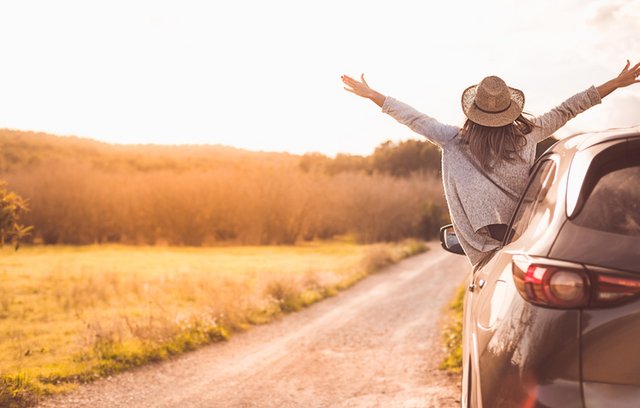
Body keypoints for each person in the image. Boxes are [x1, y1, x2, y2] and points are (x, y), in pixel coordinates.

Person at [341, 60, 640, 267]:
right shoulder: (528, 134)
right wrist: (613, 83)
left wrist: (375, 97)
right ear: (510, 110)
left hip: (488, 251)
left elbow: (414, 118)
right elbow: (569, 108)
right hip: (528, 241)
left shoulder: (453, 140)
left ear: (474, 111)